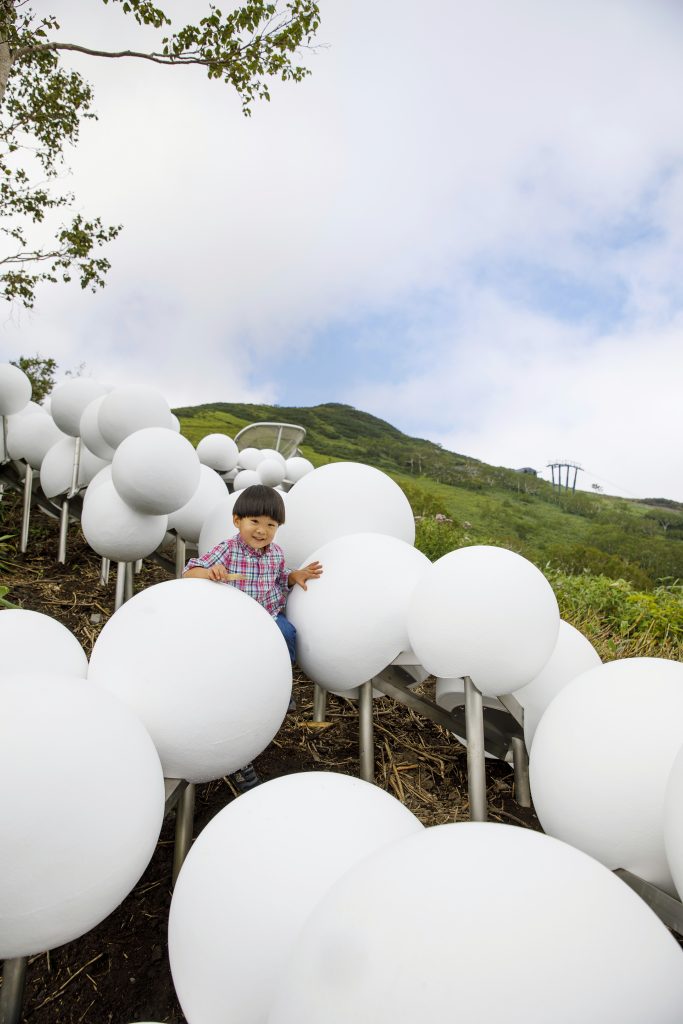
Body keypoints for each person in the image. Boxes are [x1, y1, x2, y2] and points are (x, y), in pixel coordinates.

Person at [182, 483, 322, 791]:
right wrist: (211, 573)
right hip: (237, 625)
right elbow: (189, 572)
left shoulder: (275, 555)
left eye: (270, 525)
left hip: (268, 619)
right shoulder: (227, 550)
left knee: (287, 632)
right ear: (237, 521)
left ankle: (281, 685)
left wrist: (293, 576)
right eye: (254, 522)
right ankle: (238, 758)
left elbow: (278, 578)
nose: (262, 530)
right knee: (235, 680)